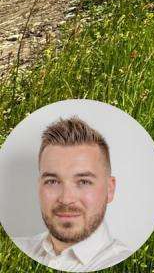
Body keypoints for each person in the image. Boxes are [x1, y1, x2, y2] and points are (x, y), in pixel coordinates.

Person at [13, 116, 133, 271]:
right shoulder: (13, 249)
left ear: (110, 189)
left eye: (83, 182)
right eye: (52, 181)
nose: (66, 199)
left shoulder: (127, 264)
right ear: (39, 187)